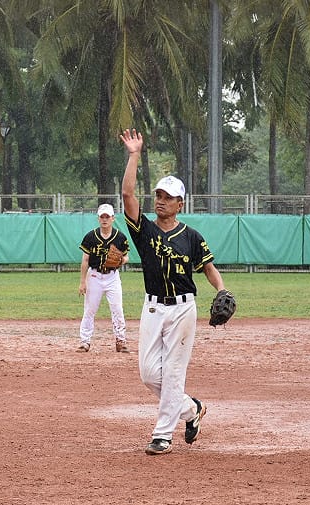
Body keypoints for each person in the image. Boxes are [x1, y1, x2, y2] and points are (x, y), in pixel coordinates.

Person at [119, 128, 230, 455]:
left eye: (168, 197)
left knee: (174, 372)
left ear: (180, 203)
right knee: (149, 373)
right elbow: (127, 196)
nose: (161, 201)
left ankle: (162, 435)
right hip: (153, 307)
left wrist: (222, 289)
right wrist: (134, 155)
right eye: (158, 196)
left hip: (183, 309)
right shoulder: (145, 231)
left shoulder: (191, 236)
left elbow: (208, 268)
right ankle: (191, 409)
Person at [77, 203, 131, 353]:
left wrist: (121, 260)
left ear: (113, 218)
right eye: (102, 216)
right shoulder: (90, 237)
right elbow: (85, 260)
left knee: (117, 309)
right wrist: (82, 282)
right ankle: (85, 342)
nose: (105, 219)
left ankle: (121, 341)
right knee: (89, 310)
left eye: (108, 216)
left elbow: (126, 257)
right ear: (98, 218)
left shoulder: (120, 237)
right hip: (94, 275)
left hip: (112, 276)